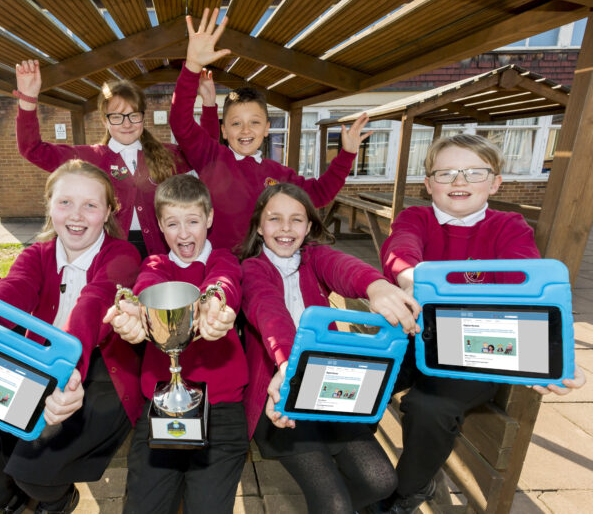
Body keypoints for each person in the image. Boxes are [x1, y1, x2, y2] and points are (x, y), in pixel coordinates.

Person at [0, 160, 143, 514]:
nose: (76, 215)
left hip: (95, 373)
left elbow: (92, 306)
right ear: (49, 204)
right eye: (65, 202)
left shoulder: (122, 255)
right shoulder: (37, 254)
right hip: (42, 365)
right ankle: (2, 500)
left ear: (109, 211)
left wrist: (67, 373)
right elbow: (8, 295)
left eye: (91, 205)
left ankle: (58, 499)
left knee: (36, 470)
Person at [378, 133, 587, 513]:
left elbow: (523, 285)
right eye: (446, 173)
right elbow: (400, 249)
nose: (459, 182)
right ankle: (360, 468)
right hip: (414, 336)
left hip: (477, 348)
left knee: (430, 409)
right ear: (428, 185)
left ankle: (407, 490)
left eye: (474, 172)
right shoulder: (417, 217)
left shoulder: (508, 226)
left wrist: (544, 358)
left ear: (495, 182)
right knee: (364, 382)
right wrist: (411, 280)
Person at [240, 183, 420, 514]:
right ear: (259, 226)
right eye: (274, 219)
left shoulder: (314, 258)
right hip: (280, 392)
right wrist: (288, 366)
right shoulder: (252, 269)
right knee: (333, 502)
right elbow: (269, 314)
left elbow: (343, 267)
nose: (285, 228)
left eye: (296, 219)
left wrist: (377, 286)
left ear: (309, 226)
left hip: (329, 388)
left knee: (380, 481)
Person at [169, 8, 372, 251]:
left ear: (267, 128)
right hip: (218, 269)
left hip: (263, 269)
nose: (245, 130)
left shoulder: (279, 174)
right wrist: (192, 67)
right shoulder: (212, 159)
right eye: (236, 123)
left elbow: (319, 193)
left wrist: (346, 155)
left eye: (254, 122)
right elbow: (181, 122)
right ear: (224, 131)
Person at [104, 174, 248, 513]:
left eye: (193, 221)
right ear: (160, 226)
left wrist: (217, 302)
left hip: (222, 407)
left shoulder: (223, 259)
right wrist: (136, 310)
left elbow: (225, 281)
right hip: (160, 405)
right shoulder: (156, 264)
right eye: (172, 223)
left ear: (209, 219)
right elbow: (146, 283)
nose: (183, 233)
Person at [14, 60, 220, 258]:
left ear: (142, 117)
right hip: (110, 256)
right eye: (117, 116)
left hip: (161, 252)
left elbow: (206, 151)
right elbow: (32, 149)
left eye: (133, 115)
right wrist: (28, 100)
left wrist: (209, 103)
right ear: (105, 119)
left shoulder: (166, 154)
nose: (127, 124)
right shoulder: (89, 158)